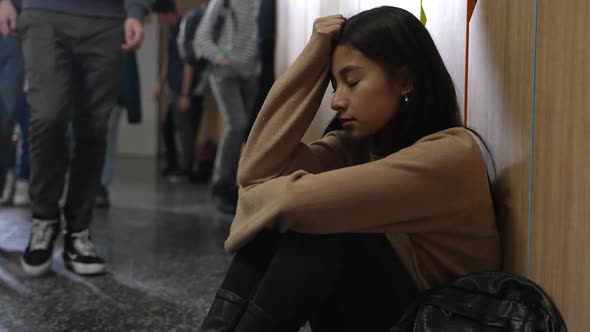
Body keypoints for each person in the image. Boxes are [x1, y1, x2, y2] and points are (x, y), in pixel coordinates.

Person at [200, 7, 501, 331]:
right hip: (390, 313)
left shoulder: (449, 155)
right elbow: (256, 170)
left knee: (318, 230)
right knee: (298, 223)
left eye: (352, 82)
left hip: (440, 320)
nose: (336, 101)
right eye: (333, 86)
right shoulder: (354, 148)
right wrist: (313, 57)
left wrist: (259, 202)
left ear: (405, 80)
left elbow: (289, 203)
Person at [0, 0, 148, 276]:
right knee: (47, 115)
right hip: (44, 12)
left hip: (106, 20)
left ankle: (77, 232)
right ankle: (43, 220)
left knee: (93, 126)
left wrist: (136, 11)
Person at [194, 0, 261, 214]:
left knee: (250, 130)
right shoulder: (222, 2)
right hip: (225, 71)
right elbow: (201, 38)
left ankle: (241, 185)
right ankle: (221, 185)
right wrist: (221, 59)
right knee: (237, 124)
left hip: (251, 73)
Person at [153, 0, 204, 182]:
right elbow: (169, 59)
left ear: (166, 13)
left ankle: (186, 170)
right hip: (175, 89)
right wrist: (160, 85)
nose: (158, 21)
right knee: (168, 127)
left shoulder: (185, 28)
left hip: (186, 90)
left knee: (185, 131)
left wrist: (185, 93)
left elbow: (188, 62)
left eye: (158, 16)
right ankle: (174, 164)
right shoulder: (171, 30)